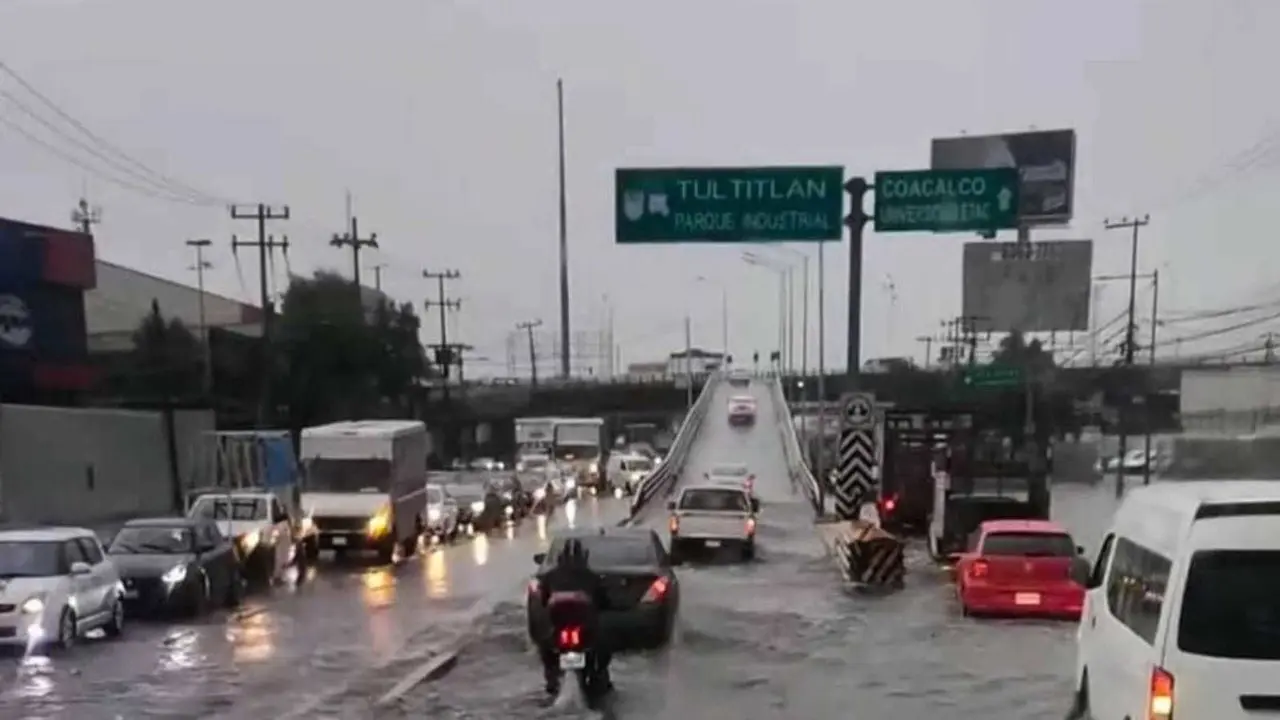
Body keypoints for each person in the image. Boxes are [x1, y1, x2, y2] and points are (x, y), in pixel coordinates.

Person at [537, 538, 612, 698]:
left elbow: (543, 600)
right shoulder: (590, 576)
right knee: (603, 643)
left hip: (559, 621)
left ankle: (552, 677)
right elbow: (604, 600)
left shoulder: (550, 576)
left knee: (547, 645)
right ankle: (597, 674)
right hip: (583, 623)